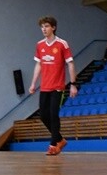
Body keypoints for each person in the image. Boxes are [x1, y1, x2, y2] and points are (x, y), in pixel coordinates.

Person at [28, 16, 78, 156]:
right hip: (44, 86)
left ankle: (53, 145)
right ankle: (60, 140)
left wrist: (73, 84)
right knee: (43, 116)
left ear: (53, 28)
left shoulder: (62, 44)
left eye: (47, 26)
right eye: (42, 27)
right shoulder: (40, 45)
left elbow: (70, 64)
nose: (44, 29)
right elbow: (38, 64)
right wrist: (33, 83)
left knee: (53, 114)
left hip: (57, 87)